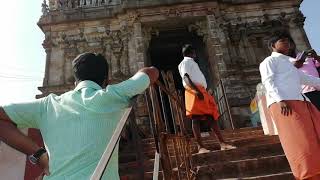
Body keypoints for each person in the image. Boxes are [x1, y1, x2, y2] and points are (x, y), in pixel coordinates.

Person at [0, 52, 159, 180]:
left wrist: (38, 154)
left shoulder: (48, 104)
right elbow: (151, 71)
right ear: (106, 81)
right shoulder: (113, 96)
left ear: (74, 81)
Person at [259, 31, 320, 180]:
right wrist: (280, 100)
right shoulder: (269, 61)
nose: (287, 43)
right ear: (272, 45)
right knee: (299, 142)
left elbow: (307, 79)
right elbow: (268, 82)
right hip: (284, 104)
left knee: (313, 138)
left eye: (288, 41)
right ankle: (307, 175)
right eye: (282, 41)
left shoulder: (289, 63)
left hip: (301, 102)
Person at [178, 44, 236, 154]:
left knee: (211, 116)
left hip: (200, 90)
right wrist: (196, 91)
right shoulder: (185, 63)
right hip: (194, 91)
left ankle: (222, 143)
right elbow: (186, 77)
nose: (195, 54)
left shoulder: (191, 63)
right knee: (196, 118)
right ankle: (201, 147)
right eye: (194, 52)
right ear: (192, 53)